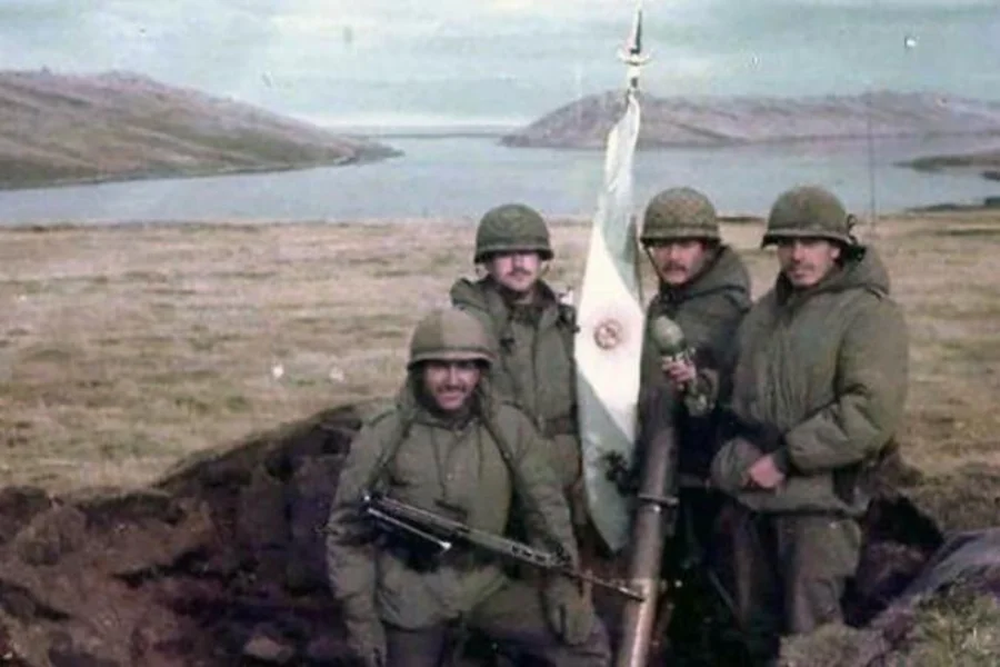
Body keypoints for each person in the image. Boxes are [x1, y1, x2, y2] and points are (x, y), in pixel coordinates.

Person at [325, 308, 611, 667]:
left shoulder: (509, 427)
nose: (453, 380)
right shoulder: (383, 435)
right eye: (439, 367)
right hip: (409, 598)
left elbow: (546, 511)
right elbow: (347, 535)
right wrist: (361, 621)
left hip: (485, 585)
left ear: (481, 372)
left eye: (465, 367)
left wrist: (561, 584)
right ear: (418, 372)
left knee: (584, 641)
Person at [710, 185, 909, 662]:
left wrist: (786, 458)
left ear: (837, 247)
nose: (797, 255)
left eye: (811, 242)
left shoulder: (868, 313)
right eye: (786, 243)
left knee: (813, 637)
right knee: (752, 629)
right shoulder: (763, 314)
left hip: (819, 506)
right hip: (750, 499)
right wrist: (702, 386)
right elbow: (738, 390)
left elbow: (869, 412)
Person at [634, 187, 752, 660]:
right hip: (669, 471)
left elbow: (727, 388)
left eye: (684, 245)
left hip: (708, 475)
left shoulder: (727, 310)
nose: (672, 256)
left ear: (707, 249)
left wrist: (698, 384)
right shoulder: (668, 304)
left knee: (713, 590)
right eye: (662, 245)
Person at [449, 203, 586, 536]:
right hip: (499, 470)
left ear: (542, 260)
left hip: (566, 472)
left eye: (527, 253)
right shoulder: (466, 326)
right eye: (505, 254)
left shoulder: (567, 323)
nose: (519, 264)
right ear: (487, 262)